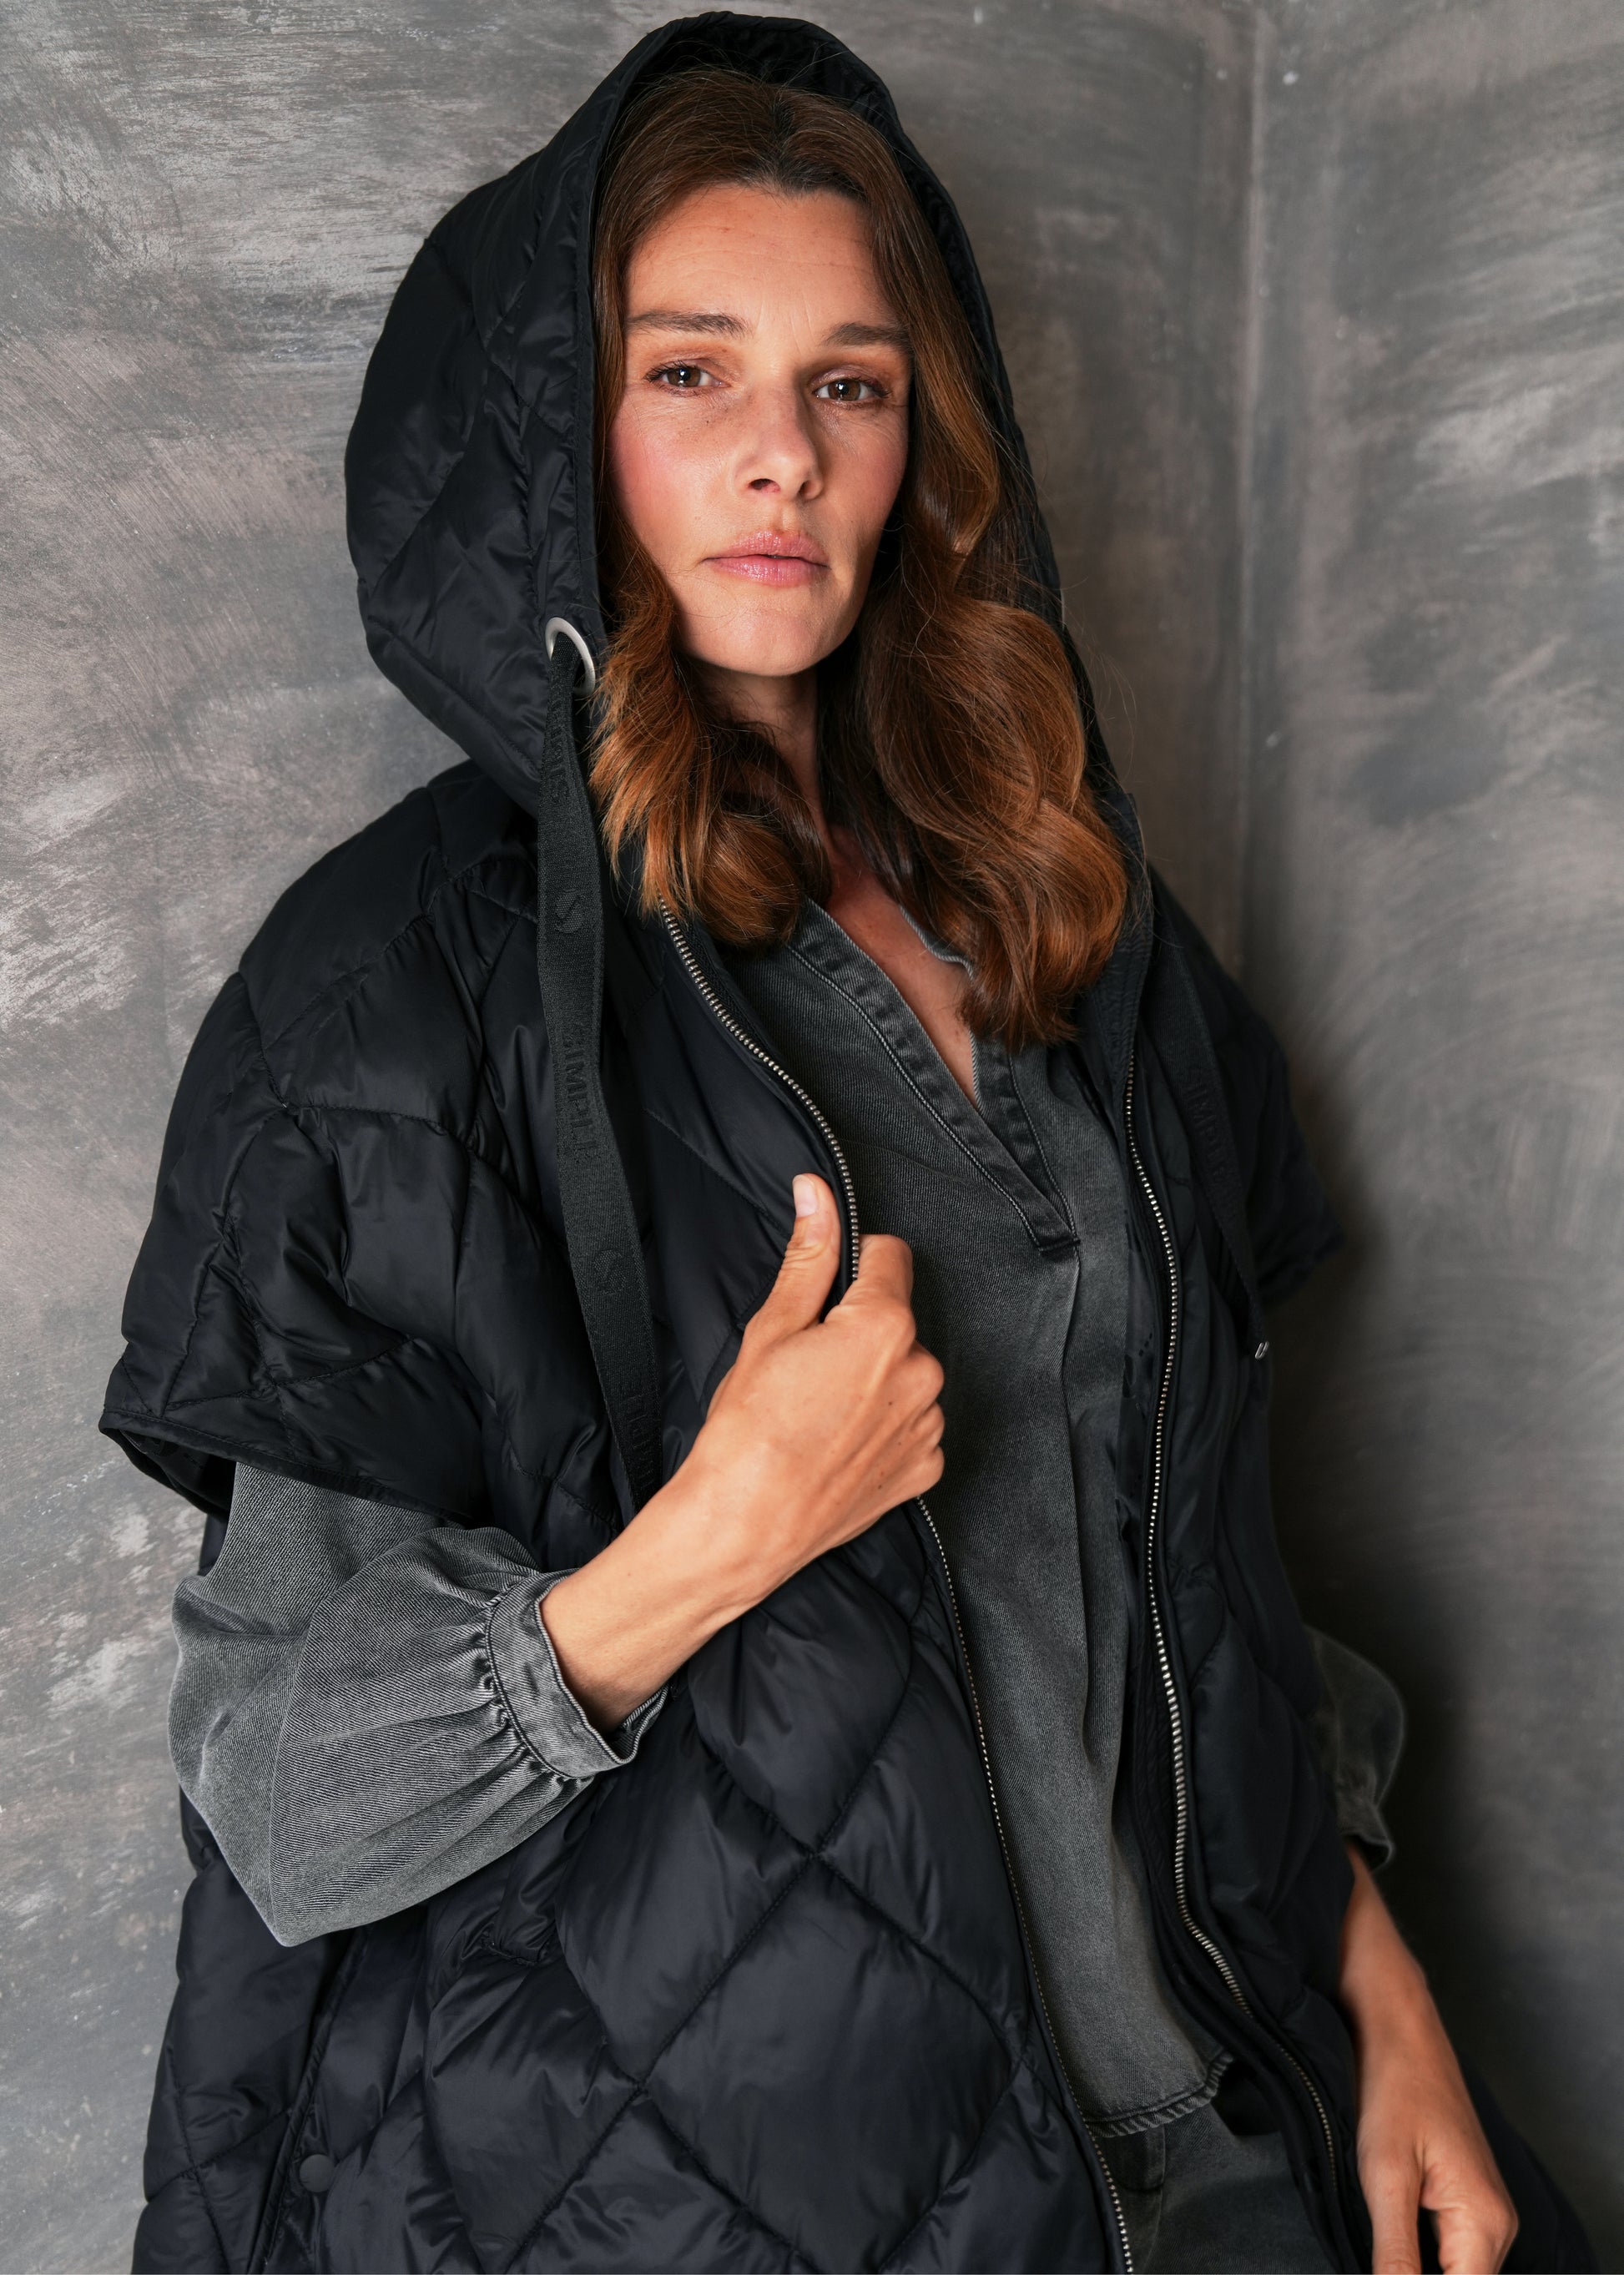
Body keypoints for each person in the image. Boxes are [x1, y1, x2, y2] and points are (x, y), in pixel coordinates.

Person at [103, 18, 1594, 2274]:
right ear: (563, 427)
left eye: (851, 385)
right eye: (689, 369)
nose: (780, 454)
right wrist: (717, 1536)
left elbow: (1200, 1563)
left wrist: (1376, 1989)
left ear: (922, 443)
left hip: (1218, 2127)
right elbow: (286, 1798)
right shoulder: (390, 998)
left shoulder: (1073, 916)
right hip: (722, 2202)